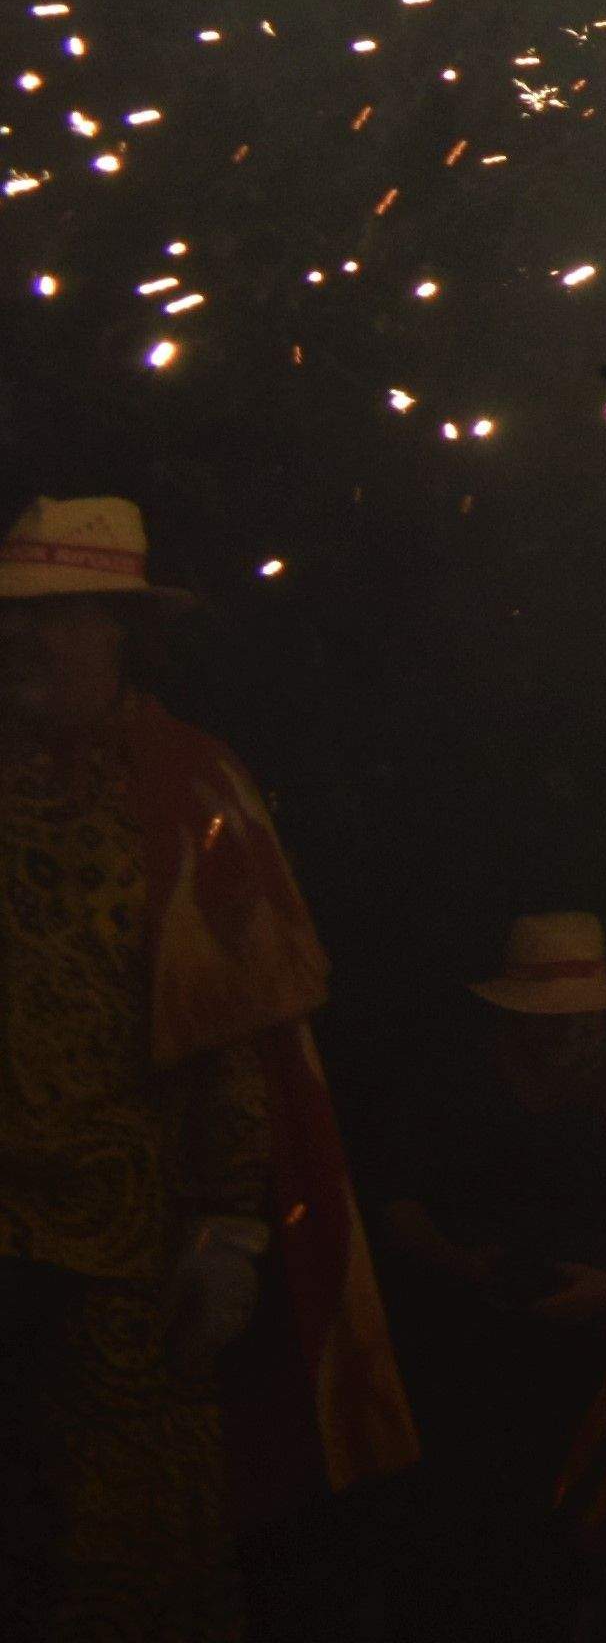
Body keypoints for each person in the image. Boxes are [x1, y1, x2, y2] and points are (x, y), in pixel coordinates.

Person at [0, 492, 415, 1638]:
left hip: (125, 1247)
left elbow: (240, 1033)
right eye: (22, 617)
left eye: (70, 615)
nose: (35, 640)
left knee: (129, 1556)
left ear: (127, 632)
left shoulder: (190, 783)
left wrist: (229, 1226)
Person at [375, 911, 606, 1640]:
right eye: (550, 1019)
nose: (566, 1032)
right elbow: (397, 1202)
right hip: (469, 1349)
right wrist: (466, 1265)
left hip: (590, 1355)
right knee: (470, 1533)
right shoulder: (456, 1087)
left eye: (580, 1018)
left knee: (568, 1537)